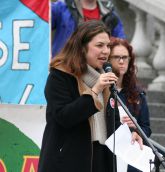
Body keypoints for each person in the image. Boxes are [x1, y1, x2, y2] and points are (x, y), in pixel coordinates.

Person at [38, 20, 143, 172]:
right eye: (99, 45)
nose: (106, 51)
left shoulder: (106, 76)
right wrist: (95, 91)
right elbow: (64, 117)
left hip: (101, 157)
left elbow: (111, 121)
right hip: (68, 160)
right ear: (81, 47)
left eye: (108, 46)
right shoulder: (60, 75)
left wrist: (130, 134)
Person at [108, 37, 152, 172]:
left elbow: (147, 128)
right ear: (108, 60)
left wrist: (136, 129)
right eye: (116, 57)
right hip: (107, 154)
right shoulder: (102, 89)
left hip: (130, 156)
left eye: (125, 57)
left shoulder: (138, 93)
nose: (121, 61)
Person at [51, 0, 126, 57]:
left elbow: (121, 45)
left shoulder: (111, 15)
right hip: (63, 68)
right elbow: (41, 24)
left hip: (96, 72)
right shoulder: (61, 7)